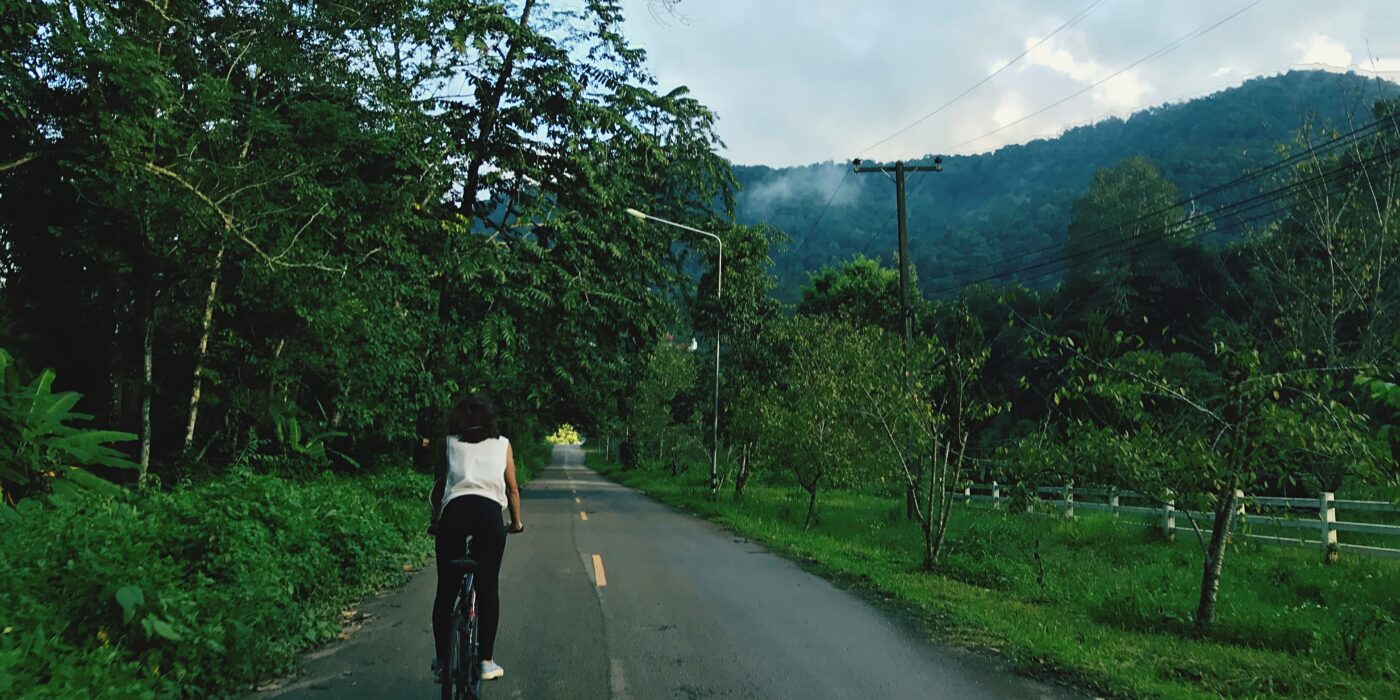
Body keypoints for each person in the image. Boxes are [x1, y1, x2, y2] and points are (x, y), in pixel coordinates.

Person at [429, 394, 524, 682]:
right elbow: (512, 489)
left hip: (454, 515)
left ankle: (443, 661)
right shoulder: (503, 444)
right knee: (487, 587)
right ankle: (485, 661)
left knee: (445, 589)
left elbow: (439, 485)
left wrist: (435, 521)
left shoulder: (448, 443)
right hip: (489, 517)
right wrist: (517, 523)